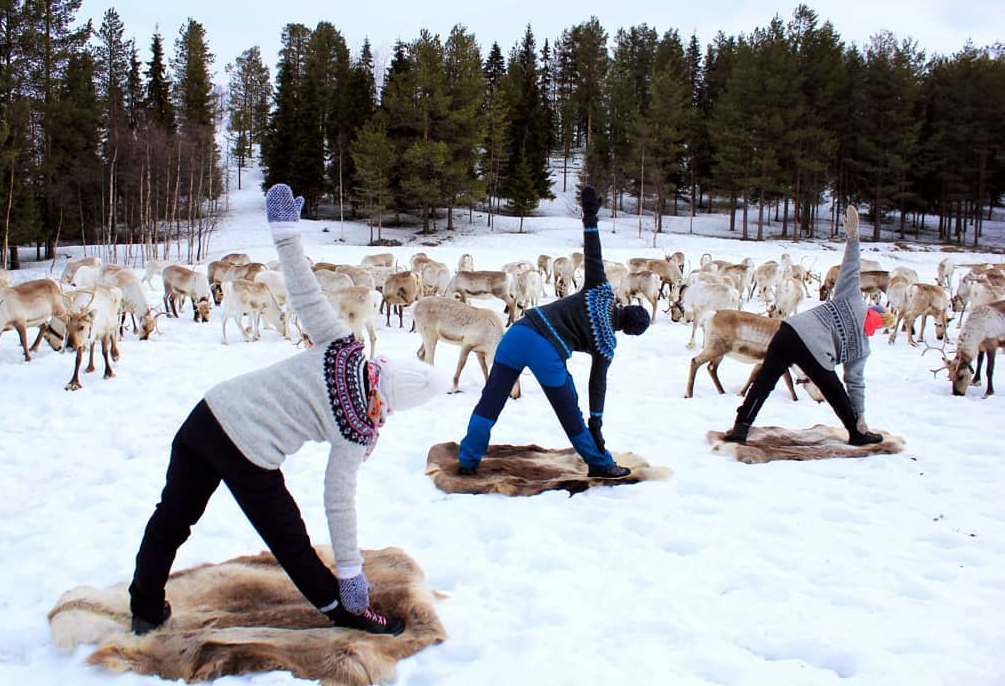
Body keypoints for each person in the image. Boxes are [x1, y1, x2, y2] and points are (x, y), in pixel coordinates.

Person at [128, 183, 445, 637]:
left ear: (386, 366)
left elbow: (304, 290)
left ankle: (144, 608)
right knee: (291, 543)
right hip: (249, 451)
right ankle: (347, 611)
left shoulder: (342, 345)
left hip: (208, 413)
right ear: (396, 404)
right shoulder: (356, 429)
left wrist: (286, 234)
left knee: (173, 516)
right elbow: (339, 503)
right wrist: (351, 573)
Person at [456, 185, 651, 478]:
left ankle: (468, 459)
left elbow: (593, 252)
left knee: (491, 399)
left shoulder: (600, 291)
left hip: (520, 331)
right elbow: (597, 385)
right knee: (569, 412)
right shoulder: (607, 345)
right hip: (547, 350)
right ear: (630, 332)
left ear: (626, 306)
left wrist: (590, 214)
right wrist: (596, 423)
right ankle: (600, 464)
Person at [722, 204, 890, 446]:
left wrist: (853, 240)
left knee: (764, 382)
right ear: (877, 327)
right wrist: (861, 416)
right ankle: (856, 433)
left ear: (870, 310)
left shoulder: (851, 299)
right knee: (835, 392)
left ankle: (740, 428)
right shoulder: (862, 348)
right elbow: (855, 383)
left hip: (789, 331)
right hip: (815, 350)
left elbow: (851, 269)